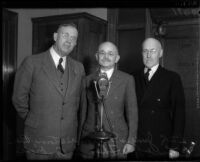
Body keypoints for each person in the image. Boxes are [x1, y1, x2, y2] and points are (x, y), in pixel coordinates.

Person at [12, 23, 86, 160]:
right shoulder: (32, 62)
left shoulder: (79, 68)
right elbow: (18, 98)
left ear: (75, 43)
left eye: (73, 38)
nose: (69, 40)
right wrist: (34, 119)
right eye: (65, 35)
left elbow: (79, 103)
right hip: (38, 141)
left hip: (67, 144)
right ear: (55, 36)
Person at [78, 41, 138, 159]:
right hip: (90, 140)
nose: (106, 57)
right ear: (97, 56)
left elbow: (133, 113)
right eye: (102, 53)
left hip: (116, 140)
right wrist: (79, 139)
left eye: (110, 54)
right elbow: (83, 113)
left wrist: (131, 141)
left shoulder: (127, 80)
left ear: (117, 58)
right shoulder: (87, 80)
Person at [134, 37, 185, 160]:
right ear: (141, 53)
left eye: (153, 51)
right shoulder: (132, 77)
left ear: (160, 53)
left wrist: (175, 146)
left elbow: (179, 114)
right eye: (145, 51)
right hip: (137, 143)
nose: (148, 55)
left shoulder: (172, 78)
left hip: (161, 143)